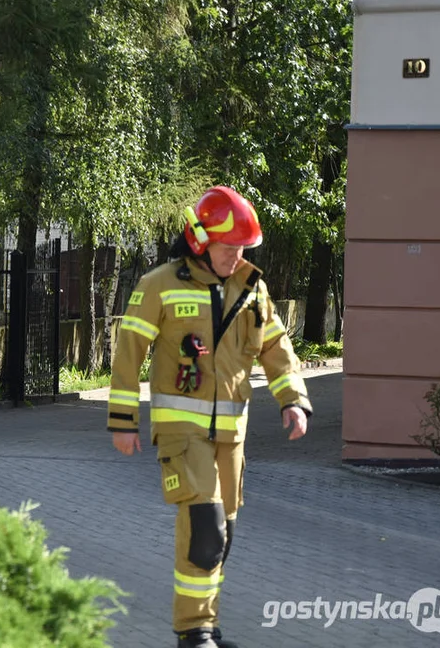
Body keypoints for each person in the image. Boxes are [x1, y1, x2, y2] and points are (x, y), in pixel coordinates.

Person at [107, 186, 312, 648]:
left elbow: (277, 350)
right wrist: (123, 421)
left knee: (224, 536)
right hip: (182, 433)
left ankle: (207, 627)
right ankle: (194, 632)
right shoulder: (159, 284)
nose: (236, 254)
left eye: (242, 247)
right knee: (206, 531)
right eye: (228, 246)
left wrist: (293, 401)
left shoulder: (252, 288)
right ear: (200, 239)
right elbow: (127, 356)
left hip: (230, 436)